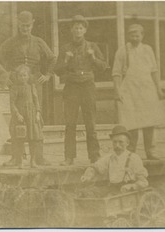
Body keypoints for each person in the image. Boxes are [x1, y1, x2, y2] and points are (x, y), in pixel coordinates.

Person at [0, 11, 56, 166]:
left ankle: (38, 157)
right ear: (18, 25)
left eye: (28, 25)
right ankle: (16, 158)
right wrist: (5, 76)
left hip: (34, 85)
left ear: (33, 24)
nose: (25, 28)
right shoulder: (10, 42)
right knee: (17, 120)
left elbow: (52, 58)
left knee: (36, 118)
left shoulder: (39, 41)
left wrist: (48, 75)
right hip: (16, 85)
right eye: (22, 25)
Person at [112, 24, 165, 160]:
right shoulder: (122, 51)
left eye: (137, 34)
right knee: (132, 122)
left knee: (149, 121)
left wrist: (158, 88)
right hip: (129, 91)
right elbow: (116, 73)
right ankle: (131, 151)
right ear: (128, 35)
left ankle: (150, 151)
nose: (135, 37)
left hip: (147, 89)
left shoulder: (148, 50)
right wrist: (117, 90)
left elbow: (154, 70)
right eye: (132, 34)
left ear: (142, 35)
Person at [55, 15, 107, 166]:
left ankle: (94, 156)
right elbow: (57, 71)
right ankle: (69, 157)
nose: (78, 30)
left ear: (85, 30)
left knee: (90, 123)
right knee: (70, 123)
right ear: (71, 30)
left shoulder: (92, 46)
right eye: (75, 27)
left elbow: (103, 67)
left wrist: (93, 58)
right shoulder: (65, 48)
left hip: (88, 87)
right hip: (71, 87)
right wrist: (65, 61)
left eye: (81, 28)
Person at [80, 125, 149, 197]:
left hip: (127, 193)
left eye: (121, 142)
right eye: (114, 142)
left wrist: (131, 186)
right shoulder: (109, 158)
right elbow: (94, 167)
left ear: (127, 143)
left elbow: (143, 182)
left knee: (108, 197)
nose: (117, 145)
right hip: (111, 190)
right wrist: (87, 175)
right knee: (86, 193)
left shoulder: (134, 159)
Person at [9, 65, 44, 168]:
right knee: (19, 138)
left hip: (31, 115)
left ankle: (32, 161)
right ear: (17, 77)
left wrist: (38, 112)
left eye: (24, 75)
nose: (22, 77)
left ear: (28, 76)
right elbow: (12, 103)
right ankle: (19, 162)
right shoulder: (15, 88)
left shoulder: (31, 87)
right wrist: (17, 114)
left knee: (33, 138)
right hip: (20, 116)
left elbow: (36, 100)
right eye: (20, 76)